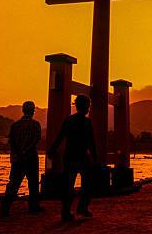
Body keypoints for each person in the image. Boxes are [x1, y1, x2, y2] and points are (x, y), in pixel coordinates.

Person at [48, 94, 97, 222]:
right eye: (88, 106)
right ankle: (82, 207)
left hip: (69, 155)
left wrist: (52, 150)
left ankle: (66, 211)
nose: (89, 108)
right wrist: (95, 157)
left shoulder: (68, 120)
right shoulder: (87, 122)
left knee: (68, 184)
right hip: (82, 156)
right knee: (88, 184)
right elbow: (91, 142)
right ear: (86, 106)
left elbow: (60, 137)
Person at [0, 101, 43, 217]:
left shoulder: (15, 125)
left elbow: (11, 142)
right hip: (31, 157)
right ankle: (33, 206)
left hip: (17, 159)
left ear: (23, 110)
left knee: (13, 183)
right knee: (33, 183)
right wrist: (26, 150)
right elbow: (36, 140)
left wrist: (18, 153)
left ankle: (5, 207)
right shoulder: (36, 125)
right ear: (33, 111)